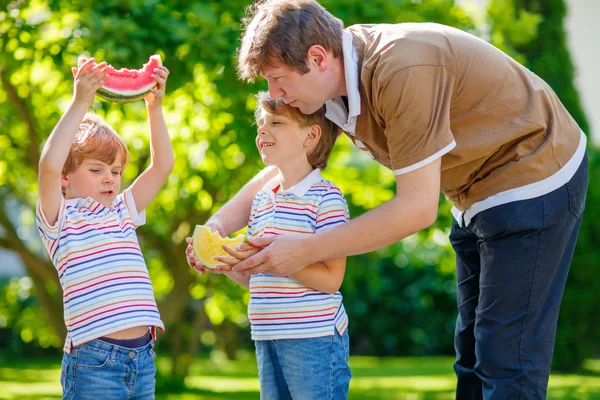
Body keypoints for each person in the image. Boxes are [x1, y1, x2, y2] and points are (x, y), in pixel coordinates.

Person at [187, 0, 590, 398]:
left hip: (534, 171)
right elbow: (283, 167)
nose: (274, 93)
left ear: (317, 57)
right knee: (472, 360)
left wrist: (304, 251)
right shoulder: (332, 87)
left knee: (506, 361)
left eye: (278, 79)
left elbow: (415, 209)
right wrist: (219, 226)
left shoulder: (402, 70)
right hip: (472, 194)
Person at [187, 91, 352, 399]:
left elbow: (332, 279)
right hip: (267, 334)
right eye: (261, 123)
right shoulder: (263, 199)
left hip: (312, 338)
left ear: (311, 135)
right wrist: (224, 263)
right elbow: (260, 277)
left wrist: (281, 258)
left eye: (275, 122)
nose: (262, 130)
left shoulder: (326, 199)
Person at [36, 57, 173, 399]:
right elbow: (49, 167)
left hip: (143, 359)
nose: (110, 178)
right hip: (94, 362)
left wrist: (154, 107)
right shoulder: (61, 219)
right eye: (97, 170)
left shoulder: (122, 211)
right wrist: (81, 101)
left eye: (116, 171)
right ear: (67, 178)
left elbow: (162, 167)